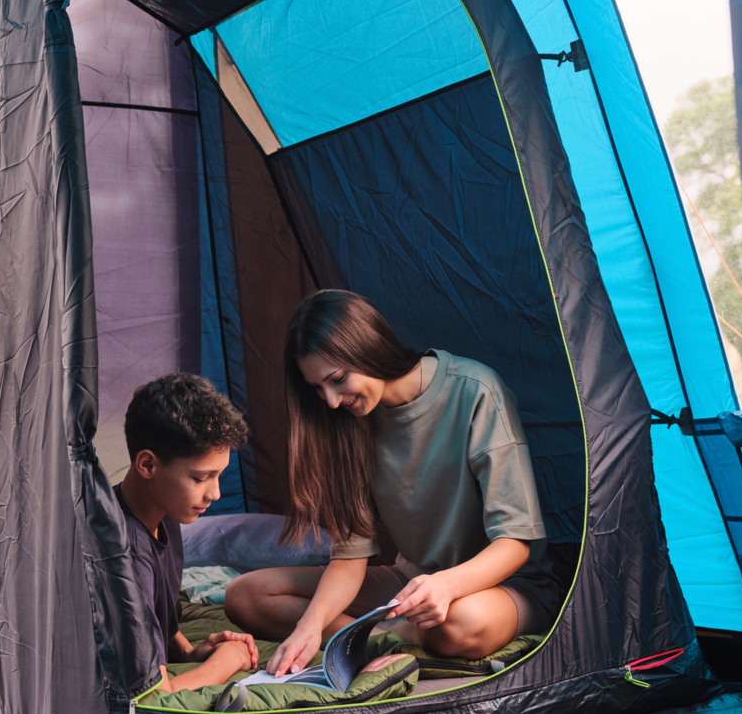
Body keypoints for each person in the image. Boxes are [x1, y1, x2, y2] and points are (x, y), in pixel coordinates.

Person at [224, 290, 563, 677]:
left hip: (505, 586)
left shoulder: (476, 391)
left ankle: (382, 636)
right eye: (318, 389)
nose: (331, 401)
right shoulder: (347, 424)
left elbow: (516, 543)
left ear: (367, 346)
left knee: (458, 623)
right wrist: (310, 626)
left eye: (337, 379)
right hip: (411, 585)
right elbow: (350, 557)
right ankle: (371, 642)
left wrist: (447, 586)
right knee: (246, 595)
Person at [116, 373, 260, 693]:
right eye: (201, 478)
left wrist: (189, 652)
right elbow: (153, 696)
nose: (216, 494)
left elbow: (157, 625)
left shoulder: (164, 515)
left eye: (219, 476)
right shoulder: (125, 556)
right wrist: (225, 662)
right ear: (148, 465)